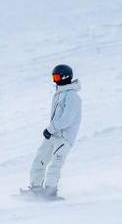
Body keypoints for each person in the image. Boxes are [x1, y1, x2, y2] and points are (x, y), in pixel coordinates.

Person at [24, 64, 82, 198]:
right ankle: (36, 189)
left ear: (65, 77)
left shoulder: (73, 97)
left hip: (64, 138)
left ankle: (50, 192)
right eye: (53, 77)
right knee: (40, 159)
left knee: (55, 164)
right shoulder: (59, 94)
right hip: (54, 135)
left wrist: (50, 129)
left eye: (56, 77)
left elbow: (67, 119)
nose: (54, 80)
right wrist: (51, 131)